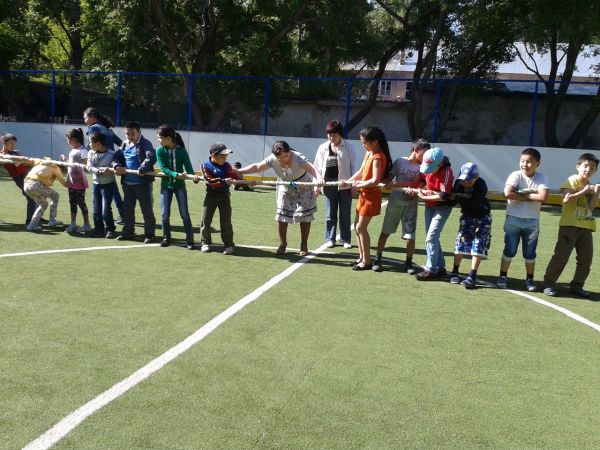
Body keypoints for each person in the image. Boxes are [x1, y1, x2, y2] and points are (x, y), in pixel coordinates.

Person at [235, 140, 323, 256]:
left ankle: (304, 245)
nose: (282, 160)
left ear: (289, 152)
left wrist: (319, 178)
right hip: (285, 186)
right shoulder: (272, 159)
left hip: (303, 187)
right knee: (281, 215)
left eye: (284, 157)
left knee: (304, 216)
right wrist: (239, 171)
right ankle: (282, 244)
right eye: (279, 158)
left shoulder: (298, 158)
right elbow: (257, 167)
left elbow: (312, 168)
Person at [542, 153, 599, 298]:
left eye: (592, 167)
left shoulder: (590, 185)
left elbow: (590, 209)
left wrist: (596, 193)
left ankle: (577, 286)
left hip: (586, 226)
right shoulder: (572, 180)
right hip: (569, 226)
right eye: (586, 166)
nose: (588, 169)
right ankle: (548, 284)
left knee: (586, 260)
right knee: (561, 257)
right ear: (578, 166)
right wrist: (585, 191)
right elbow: (566, 199)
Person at [372, 138, 430, 273]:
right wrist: (380, 183)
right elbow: (389, 178)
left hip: (411, 205)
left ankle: (408, 263)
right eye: (425, 152)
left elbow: (418, 185)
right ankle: (378, 259)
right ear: (416, 150)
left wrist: (402, 186)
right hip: (395, 203)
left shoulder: (424, 167)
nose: (427, 156)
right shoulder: (399, 161)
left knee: (410, 235)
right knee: (386, 231)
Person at [496, 147, 549, 291]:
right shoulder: (515, 175)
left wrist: (520, 194)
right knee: (510, 249)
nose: (525, 164)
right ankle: (502, 276)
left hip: (532, 222)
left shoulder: (542, 178)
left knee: (530, 252)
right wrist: (530, 196)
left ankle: (530, 279)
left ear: (537, 163)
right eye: (522, 161)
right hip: (513, 219)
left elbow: (543, 197)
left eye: (529, 162)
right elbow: (507, 193)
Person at [346, 126, 392, 271]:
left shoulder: (378, 157)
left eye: (365, 143)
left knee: (361, 227)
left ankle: (367, 261)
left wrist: (360, 184)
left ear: (375, 142)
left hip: (372, 196)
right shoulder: (369, 153)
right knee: (356, 226)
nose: (363, 145)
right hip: (363, 194)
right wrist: (348, 181)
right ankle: (361, 257)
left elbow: (375, 180)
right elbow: (361, 171)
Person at [313, 120, 357, 249]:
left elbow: (354, 167)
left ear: (340, 134)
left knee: (345, 214)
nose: (331, 137)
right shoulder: (323, 147)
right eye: (329, 135)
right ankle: (329, 238)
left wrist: (354, 185)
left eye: (334, 135)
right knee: (330, 214)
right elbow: (317, 167)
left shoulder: (349, 147)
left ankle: (345, 239)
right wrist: (317, 185)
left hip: (345, 186)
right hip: (328, 185)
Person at [447, 162, 492, 289]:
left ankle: (472, 276)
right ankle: (455, 272)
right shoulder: (458, 183)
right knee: (460, 243)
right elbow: (451, 200)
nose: (465, 183)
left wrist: (456, 196)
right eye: (463, 179)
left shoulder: (481, 184)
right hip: (466, 216)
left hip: (483, 217)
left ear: (476, 177)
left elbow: (473, 202)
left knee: (478, 245)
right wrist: (448, 196)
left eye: (469, 180)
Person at [414, 147, 455, 281]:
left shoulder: (447, 172)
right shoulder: (427, 167)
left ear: (440, 163)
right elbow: (422, 179)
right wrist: (419, 189)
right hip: (429, 206)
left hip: (442, 207)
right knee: (432, 237)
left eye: (432, 168)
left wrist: (423, 196)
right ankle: (441, 269)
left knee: (431, 237)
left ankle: (430, 270)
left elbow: (444, 196)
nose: (429, 171)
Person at [112, 121, 157, 244]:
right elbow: (116, 157)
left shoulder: (145, 143)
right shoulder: (124, 144)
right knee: (127, 210)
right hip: (127, 184)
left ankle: (150, 235)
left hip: (143, 184)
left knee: (147, 211)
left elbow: (151, 156)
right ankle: (128, 232)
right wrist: (116, 166)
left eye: (132, 134)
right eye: (127, 134)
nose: (129, 136)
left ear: (139, 132)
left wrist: (142, 169)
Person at [155, 125, 199, 250]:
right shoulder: (159, 150)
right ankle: (166, 238)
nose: (158, 140)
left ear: (168, 138)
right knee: (164, 214)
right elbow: (163, 168)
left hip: (179, 186)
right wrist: (176, 175)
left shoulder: (181, 151)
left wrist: (194, 178)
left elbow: (189, 169)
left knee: (184, 213)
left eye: (160, 138)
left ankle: (190, 240)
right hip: (165, 187)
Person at [83, 107, 124, 223]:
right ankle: (123, 214)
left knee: (109, 192)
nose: (84, 121)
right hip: (112, 162)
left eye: (85, 118)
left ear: (92, 117)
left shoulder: (93, 128)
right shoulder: (108, 129)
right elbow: (121, 144)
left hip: (99, 161)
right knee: (114, 189)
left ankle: (119, 216)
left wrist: (83, 156)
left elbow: (90, 145)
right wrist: (116, 156)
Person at [199, 142, 239, 254]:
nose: (225, 157)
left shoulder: (227, 166)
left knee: (226, 222)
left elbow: (234, 177)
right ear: (213, 155)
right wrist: (224, 181)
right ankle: (205, 242)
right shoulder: (205, 165)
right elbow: (209, 180)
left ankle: (229, 245)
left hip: (224, 197)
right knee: (205, 220)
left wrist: (241, 179)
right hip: (211, 196)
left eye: (226, 155)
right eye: (222, 155)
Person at [1, 133, 37, 224]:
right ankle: (30, 221)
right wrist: (18, 158)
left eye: (14, 143)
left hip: (29, 176)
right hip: (19, 178)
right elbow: (8, 160)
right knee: (32, 197)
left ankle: (38, 218)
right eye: (11, 143)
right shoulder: (2, 155)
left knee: (39, 195)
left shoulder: (16, 152)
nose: (13, 146)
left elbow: (26, 164)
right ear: (4, 143)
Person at [86, 132, 117, 239]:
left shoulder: (112, 154)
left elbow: (115, 167)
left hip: (108, 185)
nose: (89, 145)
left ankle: (110, 229)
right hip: (96, 185)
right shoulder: (90, 153)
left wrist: (111, 170)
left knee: (105, 210)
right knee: (96, 210)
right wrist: (99, 171)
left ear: (98, 143)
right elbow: (89, 166)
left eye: (90, 142)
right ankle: (98, 229)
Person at [61, 128, 91, 233]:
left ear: (74, 139)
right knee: (72, 202)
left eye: (68, 139)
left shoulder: (83, 151)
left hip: (80, 182)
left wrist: (82, 164)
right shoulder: (73, 150)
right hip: (71, 181)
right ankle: (73, 224)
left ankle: (87, 224)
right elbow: (71, 165)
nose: (67, 141)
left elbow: (86, 166)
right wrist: (65, 161)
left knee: (81, 202)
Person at [23, 160, 67, 231]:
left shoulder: (41, 162)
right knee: (55, 195)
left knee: (44, 204)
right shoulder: (56, 168)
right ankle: (52, 220)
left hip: (26, 185)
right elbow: (65, 184)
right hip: (35, 185)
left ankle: (32, 225)